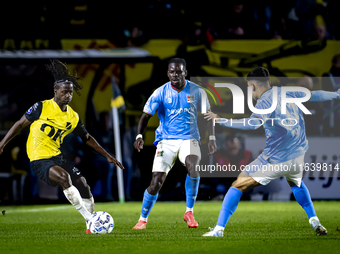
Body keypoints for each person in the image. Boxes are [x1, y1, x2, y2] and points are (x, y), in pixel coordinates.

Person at [202, 66, 340, 237]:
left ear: (252, 86)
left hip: (276, 159)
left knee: (237, 185)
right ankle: (314, 221)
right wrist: (337, 94)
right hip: (298, 156)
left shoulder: (265, 102)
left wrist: (220, 120)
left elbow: (252, 124)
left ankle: (218, 230)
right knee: (296, 183)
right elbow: (317, 95)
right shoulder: (289, 92)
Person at [0, 59, 124, 234]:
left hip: (56, 156)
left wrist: (107, 155)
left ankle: (91, 222)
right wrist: (2, 143)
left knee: (83, 184)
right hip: (39, 157)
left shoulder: (72, 116)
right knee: (65, 178)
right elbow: (20, 124)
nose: (68, 95)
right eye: (65, 92)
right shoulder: (41, 107)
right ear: (55, 91)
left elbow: (87, 138)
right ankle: (91, 221)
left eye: (71, 92)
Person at [132, 58, 217, 229]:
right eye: (172, 72)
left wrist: (212, 138)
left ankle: (189, 212)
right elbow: (146, 115)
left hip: (190, 139)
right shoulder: (160, 92)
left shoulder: (198, 92)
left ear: (185, 72)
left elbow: (208, 116)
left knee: (193, 165)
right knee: (156, 182)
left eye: (178, 71)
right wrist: (139, 136)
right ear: (167, 73)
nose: (175, 75)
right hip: (166, 141)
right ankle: (142, 219)